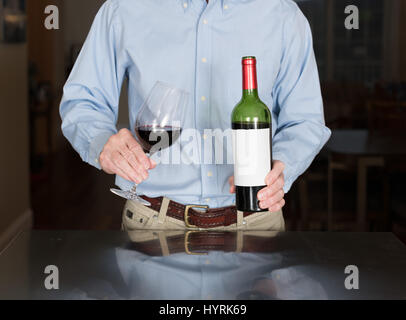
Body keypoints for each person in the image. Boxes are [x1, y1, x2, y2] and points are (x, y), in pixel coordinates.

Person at [60, 0, 331, 231]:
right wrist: (100, 143)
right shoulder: (123, 9)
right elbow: (82, 101)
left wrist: (283, 165)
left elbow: (305, 120)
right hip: (151, 224)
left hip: (257, 223)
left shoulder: (283, 15)